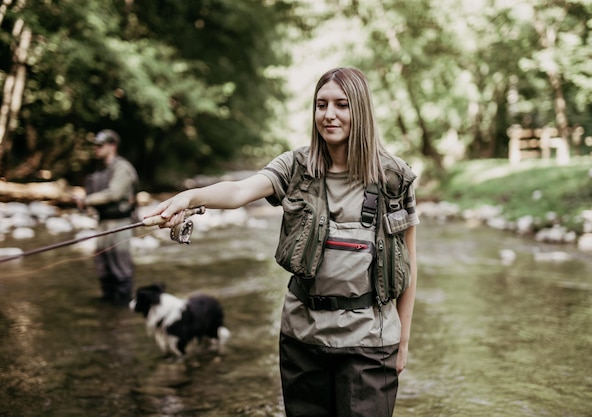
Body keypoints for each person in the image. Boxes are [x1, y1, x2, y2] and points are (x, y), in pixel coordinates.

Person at [146, 67, 418, 417]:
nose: (329, 114)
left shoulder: (395, 178)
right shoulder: (295, 167)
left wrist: (404, 341)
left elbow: (410, 263)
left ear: (361, 110)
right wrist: (189, 197)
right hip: (302, 341)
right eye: (321, 105)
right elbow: (240, 191)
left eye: (341, 105)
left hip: (370, 343)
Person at [76, 129, 139, 305]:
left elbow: (114, 194)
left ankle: (123, 312)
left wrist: (86, 200)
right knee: (103, 270)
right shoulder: (99, 171)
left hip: (120, 225)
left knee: (121, 270)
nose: (96, 148)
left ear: (113, 146)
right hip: (102, 224)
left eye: (100, 145)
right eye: (95, 145)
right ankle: (108, 313)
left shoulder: (123, 168)